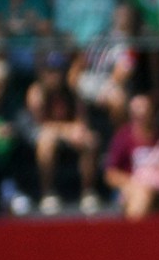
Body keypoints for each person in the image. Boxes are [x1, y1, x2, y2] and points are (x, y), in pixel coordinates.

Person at [24, 51, 102, 214]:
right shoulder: (36, 92)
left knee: (89, 140)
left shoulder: (71, 90)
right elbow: (40, 125)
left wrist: (77, 131)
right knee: (47, 142)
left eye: (57, 70)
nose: (54, 75)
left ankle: (88, 193)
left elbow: (81, 121)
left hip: (67, 135)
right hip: (38, 136)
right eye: (50, 71)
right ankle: (48, 193)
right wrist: (67, 130)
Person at [105, 93, 159, 219]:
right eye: (137, 110)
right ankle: (134, 235)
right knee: (142, 195)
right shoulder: (123, 137)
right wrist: (134, 182)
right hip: (136, 185)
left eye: (145, 109)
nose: (142, 113)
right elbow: (110, 174)